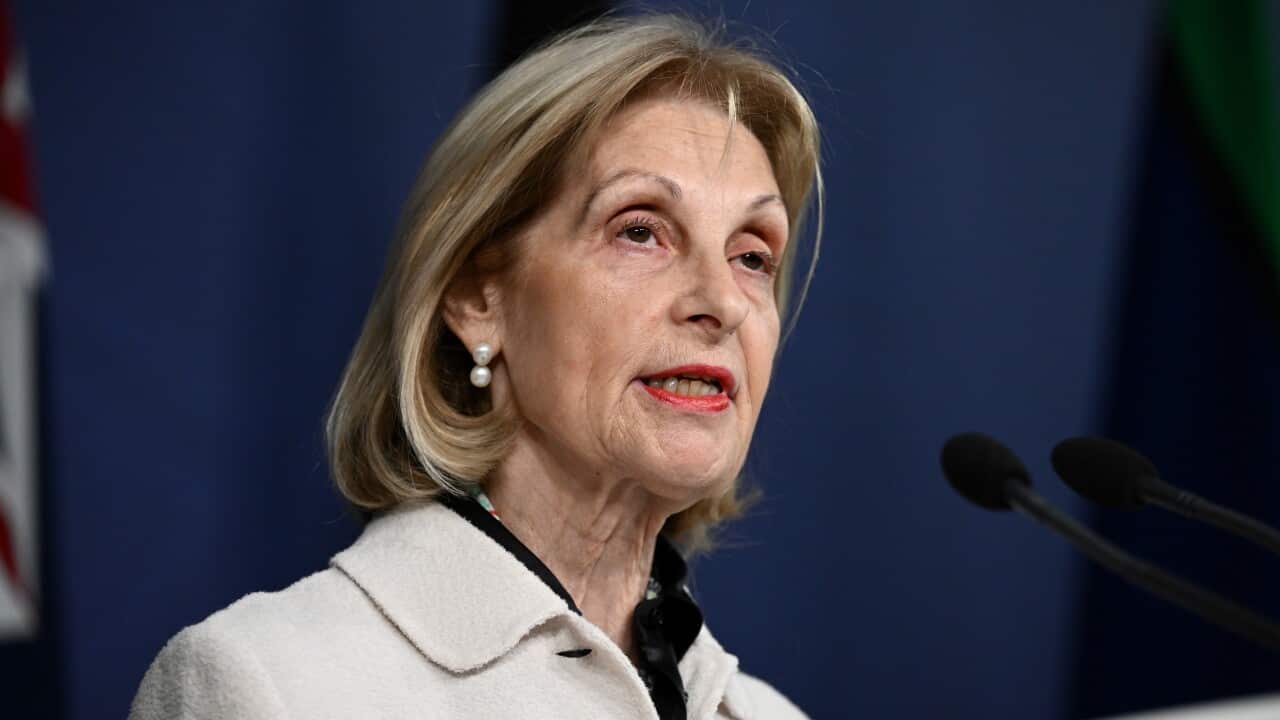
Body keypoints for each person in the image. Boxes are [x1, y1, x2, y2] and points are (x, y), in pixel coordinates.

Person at [129, 13, 821, 720]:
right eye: (640, 231)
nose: (722, 302)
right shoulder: (264, 684)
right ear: (476, 298)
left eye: (752, 256)